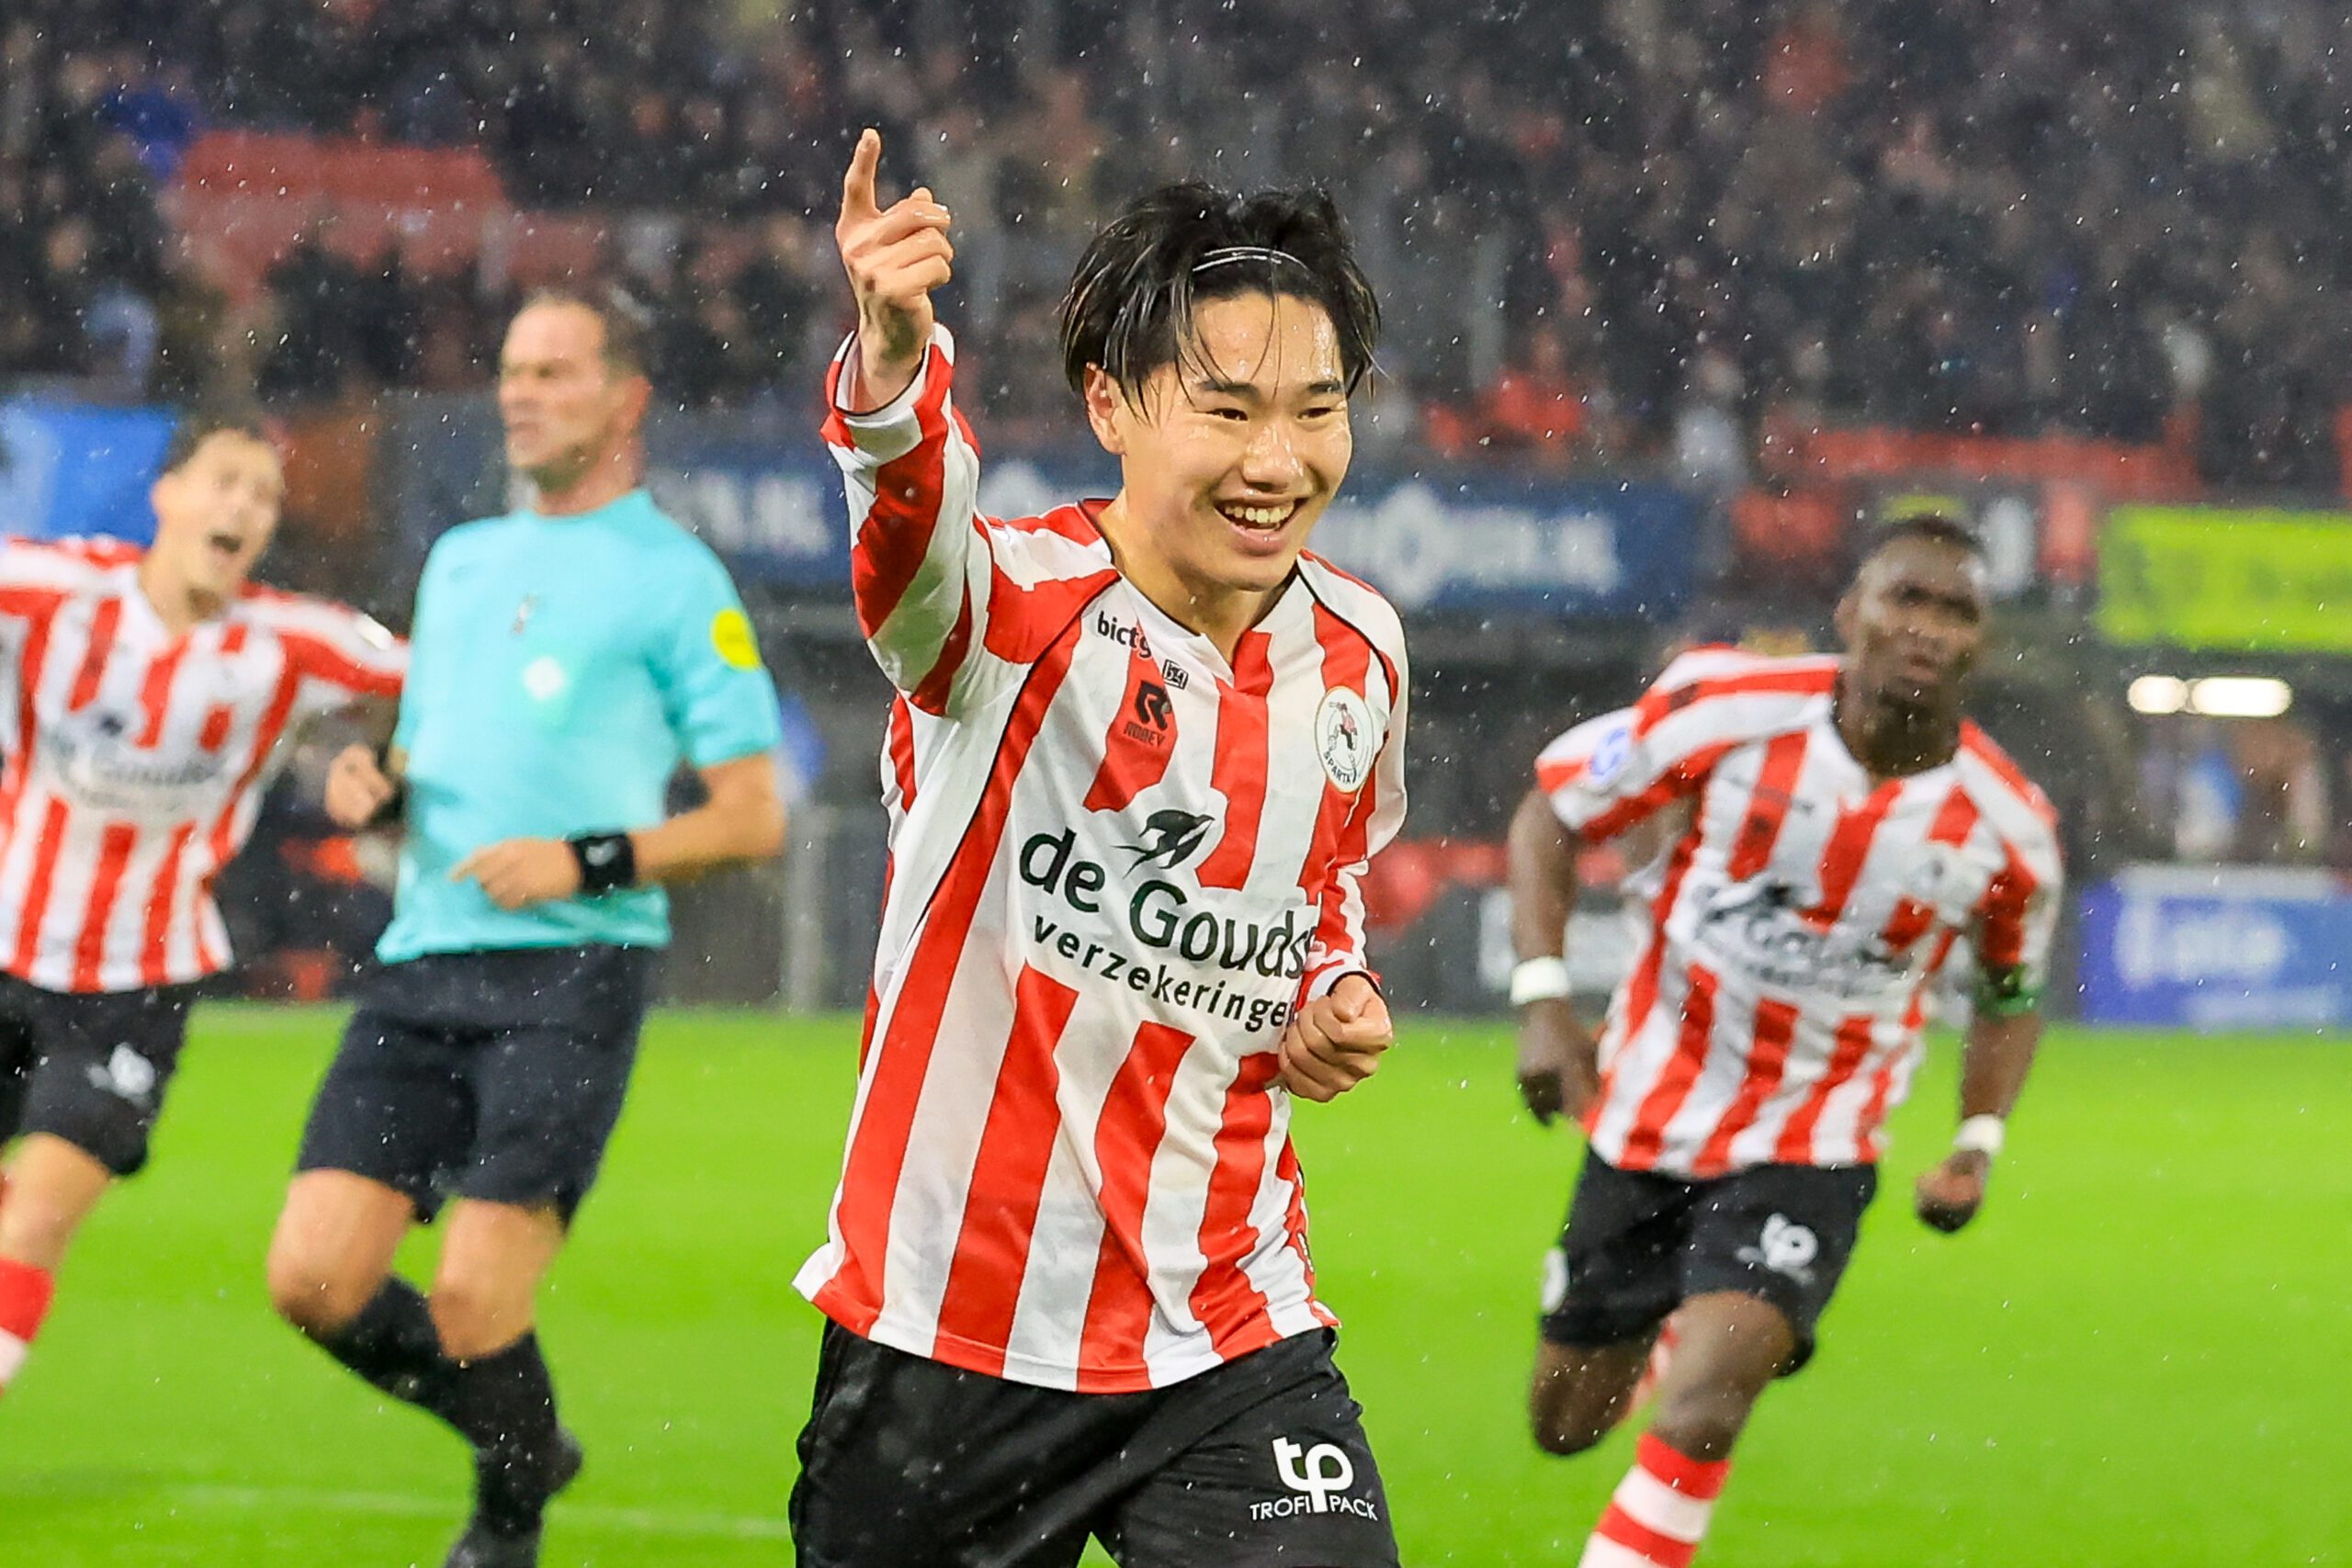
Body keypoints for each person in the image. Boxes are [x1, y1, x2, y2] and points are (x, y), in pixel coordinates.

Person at [790, 131, 1408, 1567]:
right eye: (1228, 409)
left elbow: (1322, 876)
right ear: (1111, 403)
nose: (1277, 460)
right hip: (951, 1333)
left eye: (1317, 409)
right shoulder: (1007, 615)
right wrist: (894, 366)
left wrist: (1333, 981)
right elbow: (908, 542)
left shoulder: (1361, 649)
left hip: (1226, 1321)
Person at [262, 287, 787, 1568]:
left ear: (625, 397)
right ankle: (526, 1439)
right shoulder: (460, 561)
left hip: (571, 971)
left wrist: (582, 857)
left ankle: (507, 1520)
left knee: (472, 1297)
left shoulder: (676, 579)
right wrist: (374, 783)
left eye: (555, 371)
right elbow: (419, 754)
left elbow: (753, 815)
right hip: (422, 959)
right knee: (312, 1281)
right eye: (512, 369)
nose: (521, 392)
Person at [1507, 515, 2063, 1567]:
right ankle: (1681, 1316)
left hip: (1816, 1139)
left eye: (1955, 612)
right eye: (1905, 598)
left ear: (1981, 645)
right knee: (1564, 1423)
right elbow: (1553, 811)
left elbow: (2010, 993)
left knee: (1704, 1409)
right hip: (1649, 1107)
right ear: (1850, 613)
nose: (1926, 628)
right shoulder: (1723, 708)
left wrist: (1975, 1141)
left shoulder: (2008, 827)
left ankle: (1714, 1330)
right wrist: (1543, 1002)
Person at [0, 412, 404, 1400]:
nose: (245, 508)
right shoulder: (54, 590)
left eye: (265, 496)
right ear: (166, 494)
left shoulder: (288, 641)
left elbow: (442, 678)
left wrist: (383, 763)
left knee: (37, 1219)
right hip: (7, 944)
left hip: (136, 983)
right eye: (225, 481)